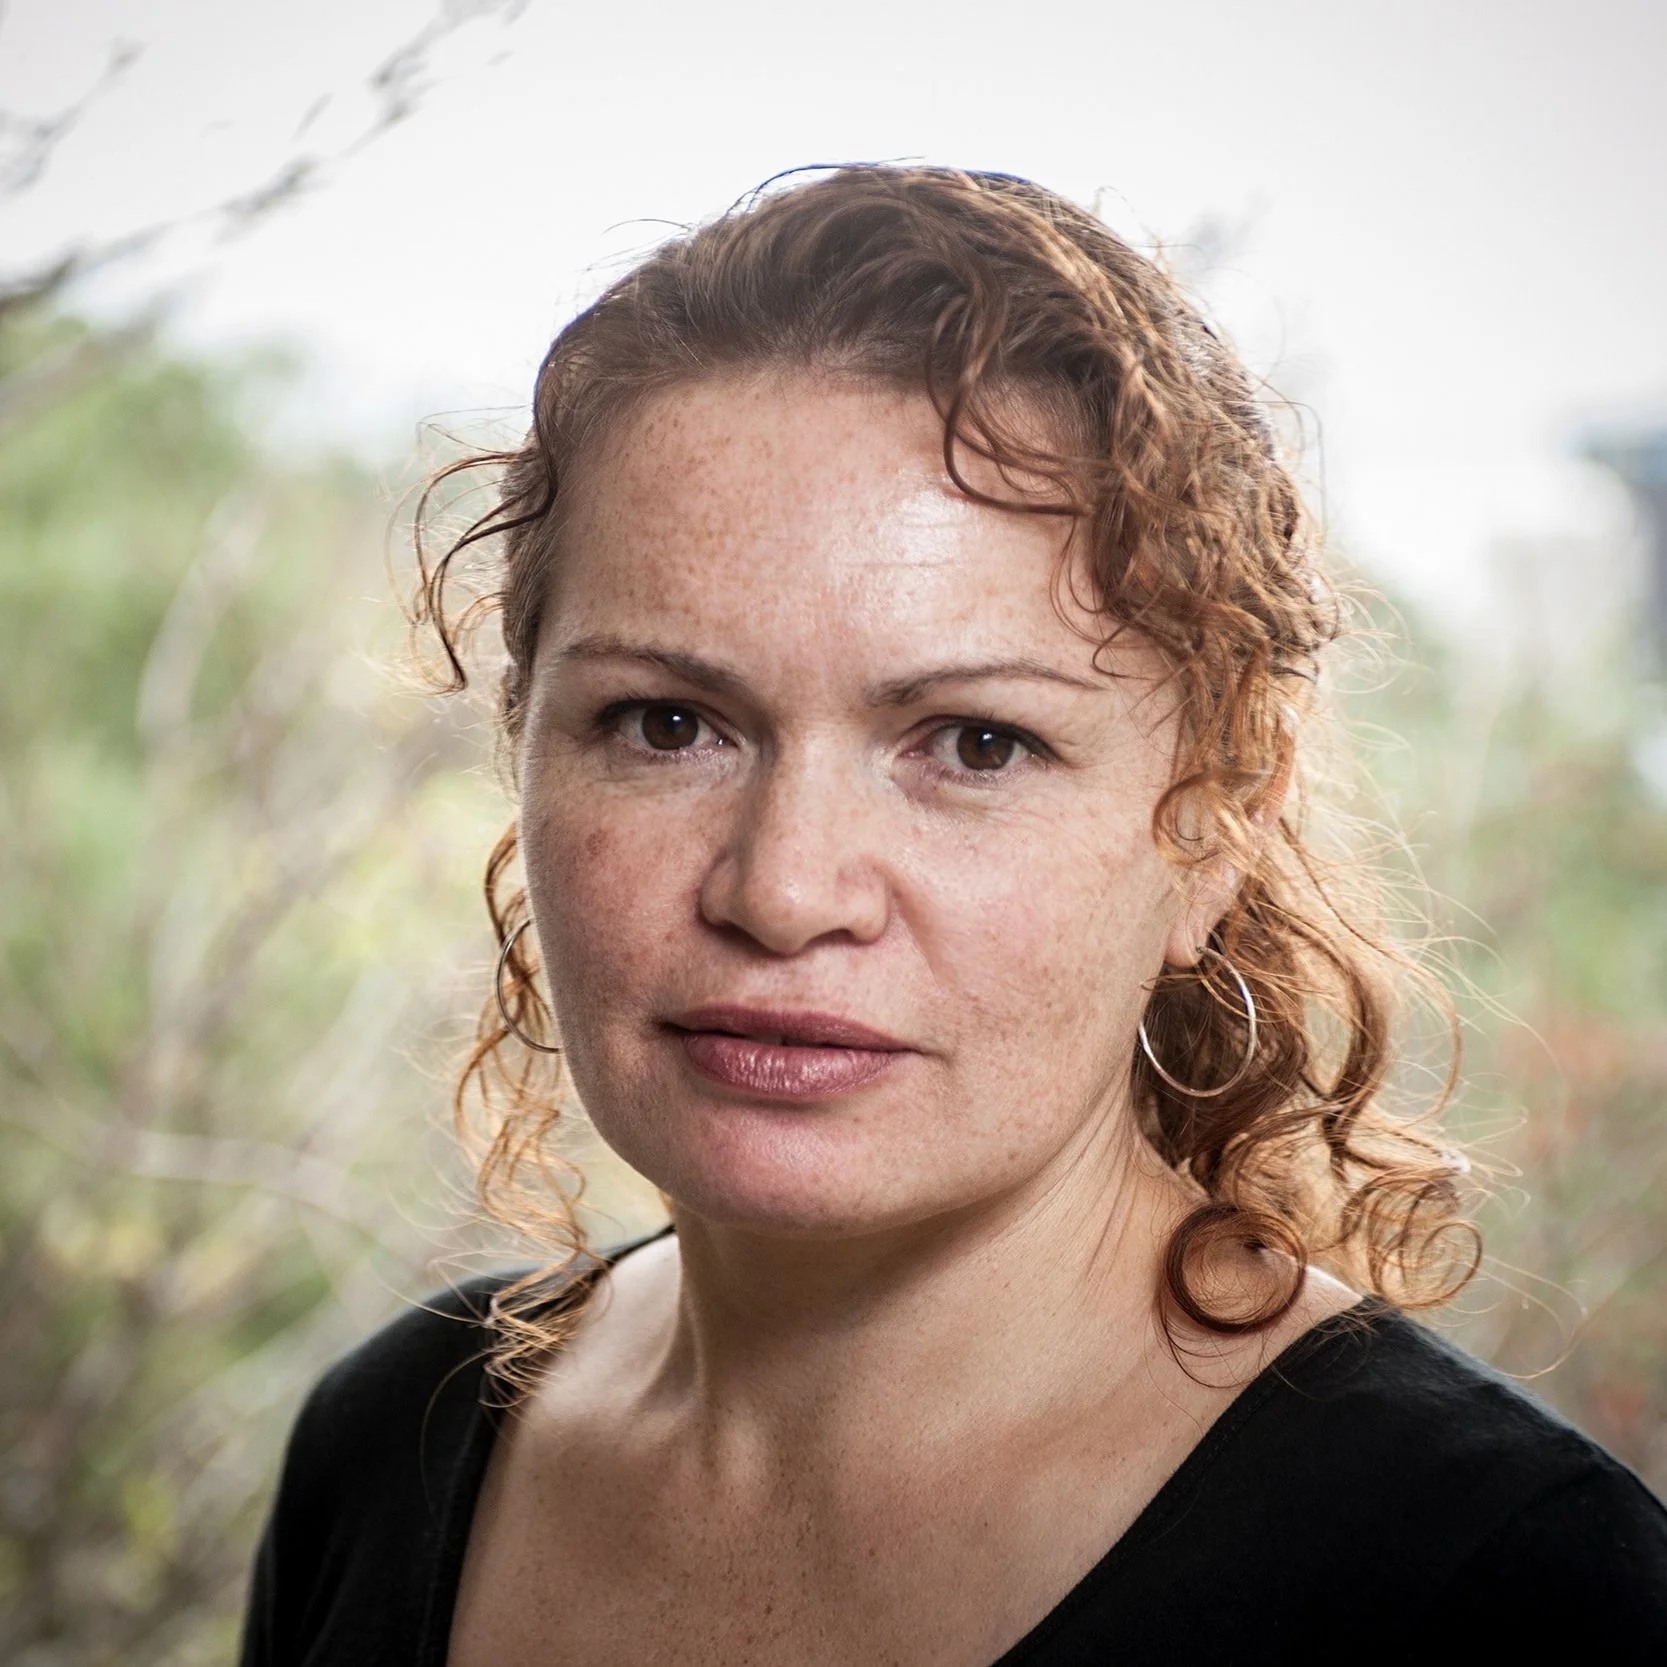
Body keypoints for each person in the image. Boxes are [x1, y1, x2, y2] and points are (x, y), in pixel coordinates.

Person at [239, 166, 1667, 1666]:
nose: (783, 890)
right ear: (524, 745)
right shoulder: (389, 1446)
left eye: (976, 744)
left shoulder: (1509, 1594)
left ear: (1212, 824)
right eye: (668, 724)